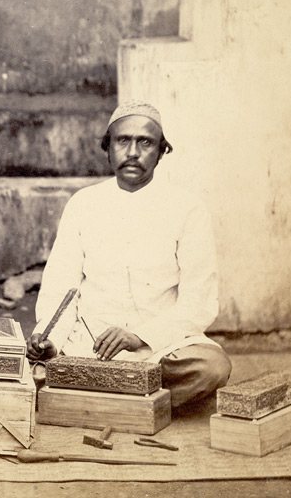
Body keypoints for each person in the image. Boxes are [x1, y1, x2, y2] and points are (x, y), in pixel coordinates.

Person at [27, 100, 231, 411]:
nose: (133, 152)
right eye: (123, 140)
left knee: (212, 366)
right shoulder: (84, 204)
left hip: (160, 346)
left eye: (145, 142)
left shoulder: (187, 208)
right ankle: (139, 402)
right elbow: (61, 288)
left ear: (161, 152)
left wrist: (139, 336)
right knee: (29, 364)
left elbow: (198, 303)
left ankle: (95, 397)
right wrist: (49, 338)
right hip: (90, 342)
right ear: (108, 148)